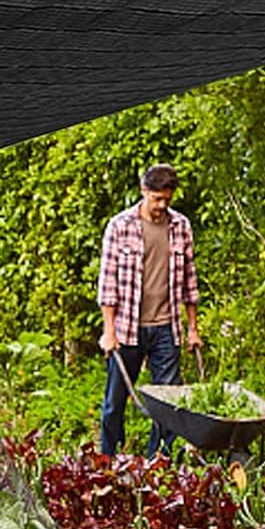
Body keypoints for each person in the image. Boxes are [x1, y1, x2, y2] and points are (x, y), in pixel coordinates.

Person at [97, 163, 201, 457]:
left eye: (167, 199)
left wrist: (193, 329)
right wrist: (109, 331)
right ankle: (107, 462)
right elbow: (108, 283)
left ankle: (158, 464)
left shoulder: (181, 226)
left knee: (169, 403)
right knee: (114, 403)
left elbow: (190, 282)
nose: (162, 205)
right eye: (156, 199)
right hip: (127, 329)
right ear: (144, 191)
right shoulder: (120, 226)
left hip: (167, 327)